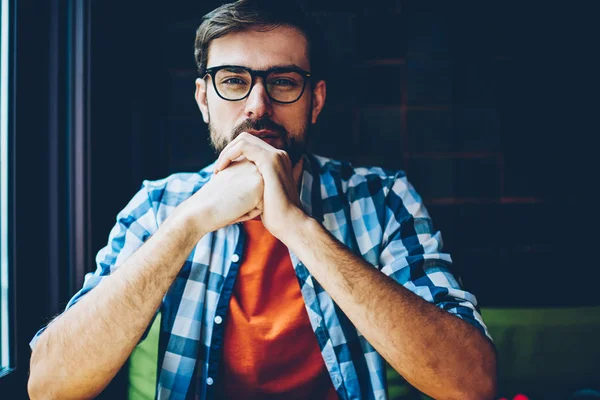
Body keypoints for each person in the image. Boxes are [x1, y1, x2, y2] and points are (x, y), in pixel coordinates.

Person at [28, 1, 497, 399]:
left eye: (284, 81)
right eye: (233, 81)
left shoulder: (382, 197)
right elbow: (48, 386)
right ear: (203, 100)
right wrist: (188, 222)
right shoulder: (159, 205)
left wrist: (298, 226)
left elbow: (472, 383)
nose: (257, 106)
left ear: (315, 100)